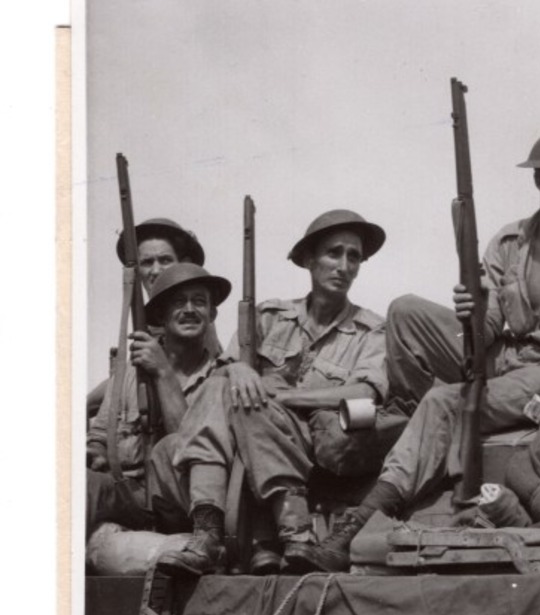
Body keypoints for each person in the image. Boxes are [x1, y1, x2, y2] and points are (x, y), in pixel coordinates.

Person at [289, 129, 540, 573]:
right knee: (405, 311)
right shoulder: (510, 242)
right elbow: (488, 329)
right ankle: (425, 421)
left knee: (443, 401)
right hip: (511, 359)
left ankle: (362, 520)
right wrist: (469, 313)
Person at [158, 210, 388, 576]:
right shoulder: (269, 316)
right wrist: (238, 368)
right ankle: (213, 529)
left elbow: (365, 392)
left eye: (354, 256)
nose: (344, 265)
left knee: (250, 403)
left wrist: (284, 396)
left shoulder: (371, 329)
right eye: (333, 253)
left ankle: (262, 532)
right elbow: (223, 369)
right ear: (309, 260)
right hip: (251, 443)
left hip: (316, 446)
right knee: (225, 386)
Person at [86, 262, 231, 536]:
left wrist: (162, 371)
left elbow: (187, 445)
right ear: (162, 316)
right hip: (132, 494)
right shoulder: (129, 375)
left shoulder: (220, 379)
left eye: (199, 302)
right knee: (82, 485)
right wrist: (97, 454)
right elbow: (99, 435)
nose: (189, 309)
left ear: (211, 314)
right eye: (179, 303)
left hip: (183, 504)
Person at [89, 217, 213, 421]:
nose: (156, 271)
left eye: (165, 260)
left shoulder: (192, 319)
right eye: (147, 262)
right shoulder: (146, 319)